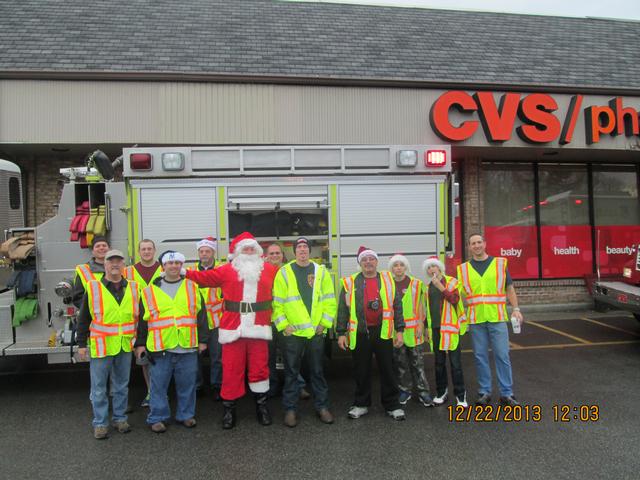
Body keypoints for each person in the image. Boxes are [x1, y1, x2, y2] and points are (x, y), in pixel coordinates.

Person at [186, 232, 278, 429]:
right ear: (237, 251)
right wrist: (182, 272)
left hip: (259, 328)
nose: (249, 250)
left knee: (260, 368)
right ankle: (229, 410)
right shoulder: (226, 270)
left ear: (258, 250)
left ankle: (262, 407)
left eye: (252, 247)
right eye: (245, 247)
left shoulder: (270, 270)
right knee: (231, 369)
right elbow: (203, 278)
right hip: (232, 329)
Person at [135, 251, 209, 433]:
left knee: (187, 384)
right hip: (161, 347)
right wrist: (140, 344)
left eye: (177, 263)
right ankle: (157, 417)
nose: (174, 266)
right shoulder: (149, 291)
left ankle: (186, 415)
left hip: (187, 345)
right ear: (163, 267)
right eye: (170, 263)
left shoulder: (192, 287)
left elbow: (202, 316)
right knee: (158, 386)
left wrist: (203, 340)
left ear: (181, 266)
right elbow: (143, 322)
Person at [336, 246, 406, 421]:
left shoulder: (388, 279)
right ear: (360, 263)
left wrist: (400, 330)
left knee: (388, 369)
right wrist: (341, 332)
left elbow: (397, 305)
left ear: (376, 261)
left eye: (371, 259)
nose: (368, 262)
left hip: (383, 332)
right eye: (364, 260)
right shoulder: (350, 282)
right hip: (360, 333)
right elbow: (343, 309)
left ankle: (392, 405)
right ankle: (361, 404)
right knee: (361, 370)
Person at [272, 237, 336, 427]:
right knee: (291, 373)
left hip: (316, 332)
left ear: (310, 251)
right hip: (293, 334)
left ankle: (322, 407)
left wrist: (324, 324)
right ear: (294, 252)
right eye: (298, 247)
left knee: (317, 372)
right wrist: (284, 326)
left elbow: (329, 300)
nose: (302, 250)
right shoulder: (284, 272)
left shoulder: (320, 271)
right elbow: (277, 303)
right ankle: (290, 410)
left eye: (305, 247)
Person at [76, 250, 139, 439]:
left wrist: (140, 342)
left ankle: (120, 419)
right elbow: (84, 318)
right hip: (101, 345)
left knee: (121, 386)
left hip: (124, 345)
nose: (115, 264)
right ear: (104, 265)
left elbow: (139, 318)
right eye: (110, 261)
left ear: (123, 266)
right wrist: (81, 344)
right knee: (99, 388)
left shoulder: (134, 288)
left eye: (118, 261)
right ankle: (101, 423)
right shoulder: (94, 287)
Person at [457, 234, 524, 407]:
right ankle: (484, 392)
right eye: (473, 243)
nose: (477, 245)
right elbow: (459, 296)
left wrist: (516, 309)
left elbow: (509, 288)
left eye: (479, 242)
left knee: (502, 355)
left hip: (497, 317)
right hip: (476, 318)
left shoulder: (500, 264)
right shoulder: (462, 269)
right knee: (480, 357)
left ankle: (507, 394)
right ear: (469, 247)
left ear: (485, 244)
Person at [265, 243, 310, 400]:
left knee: (290, 357)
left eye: (278, 253)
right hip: (267, 321)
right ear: (266, 256)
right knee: (268, 357)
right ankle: (272, 386)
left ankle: (299, 386)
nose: (275, 256)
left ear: (282, 255)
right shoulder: (261, 272)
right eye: (272, 253)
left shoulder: (289, 271)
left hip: (286, 321)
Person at [388, 254, 433, 407]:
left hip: (414, 330)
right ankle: (404, 390)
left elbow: (422, 306)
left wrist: (422, 325)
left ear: (406, 267)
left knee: (417, 364)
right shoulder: (388, 284)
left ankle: (423, 392)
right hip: (397, 332)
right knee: (400, 365)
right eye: (395, 265)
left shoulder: (417, 284)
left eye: (401, 264)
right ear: (392, 268)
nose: (398, 268)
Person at [123, 238, 163, 408]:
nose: (146, 252)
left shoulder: (164, 268)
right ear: (139, 252)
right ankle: (150, 392)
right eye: (143, 249)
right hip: (138, 322)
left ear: (154, 251)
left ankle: (161, 392)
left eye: (149, 249)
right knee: (144, 359)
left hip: (161, 321)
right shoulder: (128, 272)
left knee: (162, 360)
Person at [423, 256, 468, 407]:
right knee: (438, 363)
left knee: (455, 364)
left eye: (433, 266)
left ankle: (460, 395)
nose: (431, 270)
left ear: (440, 268)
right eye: (428, 268)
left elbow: (455, 299)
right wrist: (426, 329)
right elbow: (427, 310)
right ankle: (442, 392)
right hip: (436, 329)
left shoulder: (452, 282)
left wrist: (441, 287)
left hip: (450, 328)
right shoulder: (427, 286)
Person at [190, 237, 224, 401]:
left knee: (217, 357)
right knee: (195, 357)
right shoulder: (190, 271)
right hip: (196, 322)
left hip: (217, 320)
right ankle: (197, 386)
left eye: (207, 251)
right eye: (202, 251)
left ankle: (217, 385)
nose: (204, 254)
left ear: (213, 252)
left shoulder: (221, 269)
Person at [72, 236, 109, 308]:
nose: (101, 248)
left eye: (104, 245)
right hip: (95, 315)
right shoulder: (84, 270)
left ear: (109, 249)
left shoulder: (120, 268)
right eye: (97, 246)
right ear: (92, 251)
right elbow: (78, 298)